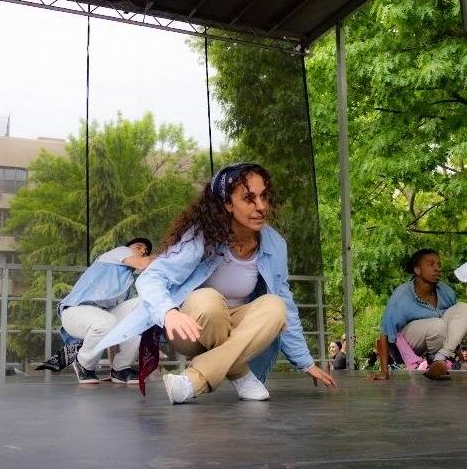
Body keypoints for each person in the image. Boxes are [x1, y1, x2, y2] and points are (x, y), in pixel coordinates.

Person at [89, 162, 336, 403]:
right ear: (227, 204)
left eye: (264, 196)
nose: (261, 206)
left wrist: (305, 362)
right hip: (191, 327)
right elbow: (151, 277)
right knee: (209, 300)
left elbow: (285, 303)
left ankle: (194, 381)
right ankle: (240, 373)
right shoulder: (202, 235)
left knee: (276, 305)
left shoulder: (275, 245)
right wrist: (168, 312)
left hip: (237, 325)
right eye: (249, 198)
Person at [57, 237, 154, 384]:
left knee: (141, 309)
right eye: (139, 247)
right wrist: (171, 254)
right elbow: (143, 264)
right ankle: (83, 363)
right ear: (128, 248)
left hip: (103, 317)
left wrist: (113, 366)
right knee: (106, 321)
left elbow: (118, 331)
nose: (142, 252)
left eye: (145, 252)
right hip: (75, 312)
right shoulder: (120, 251)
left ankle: (120, 369)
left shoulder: (126, 285)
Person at [373, 248, 467, 381]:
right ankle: (437, 360)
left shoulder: (446, 291)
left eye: (439, 265)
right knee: (437, 324)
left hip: (437, 339)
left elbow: (455, 324)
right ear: (417, 270)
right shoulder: (401, 297)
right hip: (405, 345)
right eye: (431, 264)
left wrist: (458, 354)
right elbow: (384, 333)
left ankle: (439, 360)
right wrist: (384, 372)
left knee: (464, 308)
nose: (437, 268)